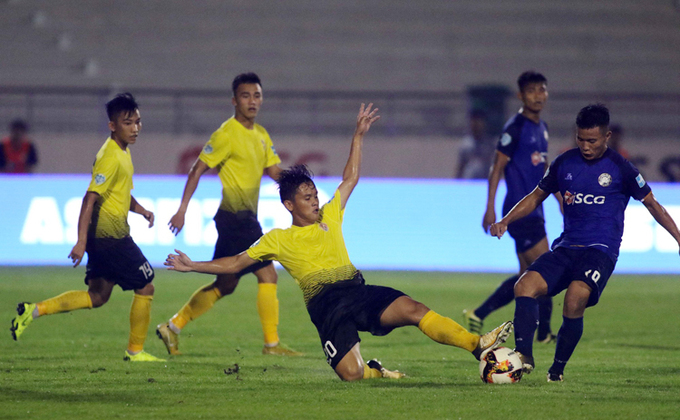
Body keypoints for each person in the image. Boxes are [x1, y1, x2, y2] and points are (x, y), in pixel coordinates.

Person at [165, 103, 513, 381]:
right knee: (353, 375)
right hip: (326, 308)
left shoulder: (330, 214)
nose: (315, 201)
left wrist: (358, 136)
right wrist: (193, 265)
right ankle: (377, 371)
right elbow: (236, 262)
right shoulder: (278, 239)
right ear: (289, 205)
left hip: (356, 291)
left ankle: (476, 345)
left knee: (413, 309)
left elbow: (351, 178)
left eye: (315, 194)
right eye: (306, 197)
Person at [490, 104, 680, 382]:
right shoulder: (564, 163)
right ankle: (524, 356)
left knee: (574, 298)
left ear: (607, 136)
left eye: (592, 140)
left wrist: (678, 237)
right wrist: (506, 220)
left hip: (600, 251)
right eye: (580, 139)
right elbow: (536, 196)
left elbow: (653, 205)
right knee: (524, 286)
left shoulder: (621, 168)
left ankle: (556, 370)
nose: (586, 146)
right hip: (566, 247)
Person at [10, 93, 164, 362]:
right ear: (112, 125)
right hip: (111, 239)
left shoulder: (122, 152)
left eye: (138, 122)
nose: (135, 128)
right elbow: (89, 199)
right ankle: (135, 351)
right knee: (146, 286)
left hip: (103, 239)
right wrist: (80, 242)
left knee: (98, 295)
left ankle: (33, 310)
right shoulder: (110, 156)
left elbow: (119, 193)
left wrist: (141, 210)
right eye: (128, 123)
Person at [157, 73, 300, 356]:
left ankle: (172, 326)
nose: (252, 101)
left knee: (226, 284)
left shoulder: (261, 135)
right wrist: (182, 209)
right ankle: (271, 344)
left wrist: (299, 182)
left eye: (257, 95)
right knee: (268, 274)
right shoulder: (225, 134)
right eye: (246, 96)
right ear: (234, 100)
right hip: (236, 218)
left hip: (241, 218)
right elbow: (197, 169)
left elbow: (274, 171)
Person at [464, 71, 556, 343]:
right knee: (547, 272)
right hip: (520, 211)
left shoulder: (542, 127)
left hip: (535, 209)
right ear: (520, 95)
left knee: (525, 277)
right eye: (532, 91)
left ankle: (479, 313)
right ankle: (543, 334)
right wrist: (490, 208)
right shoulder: (515, 128)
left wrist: (560, 197)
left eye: (542, 89)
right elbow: (497, 167)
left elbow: (544, 168)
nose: (538, 95)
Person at [455, 109, 495, 179]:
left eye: (479, 122)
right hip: (469, 180)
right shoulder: (465, 144)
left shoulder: (489, 144)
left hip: (484, 180)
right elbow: (461, 166)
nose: (476, 125)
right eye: (473, 122)